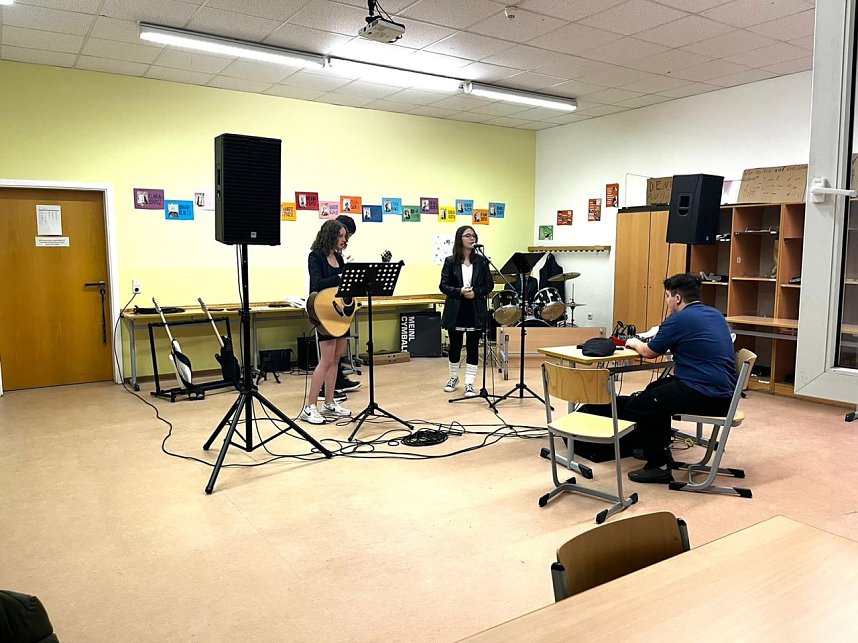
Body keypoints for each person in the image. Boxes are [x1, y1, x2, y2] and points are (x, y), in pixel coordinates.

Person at [620, 273, 737, 483]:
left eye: (667, 296)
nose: (667, 301)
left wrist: (634, 342)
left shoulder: (678, 319)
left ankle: (658, 466)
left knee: (642, 404)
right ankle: (656, 447)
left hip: (705, 395)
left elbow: (649, 352)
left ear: (677, 298)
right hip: (725, 394)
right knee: (654, 389)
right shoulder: (716, 315)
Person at [299, 219, 353, 425]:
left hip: (340, 313)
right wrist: (340, 277)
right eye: (340, 236)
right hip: (324, 313)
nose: (344, 240)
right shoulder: (315, 256)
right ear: (330, 236)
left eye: (345, 236)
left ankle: (329, 403)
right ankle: (310, 406)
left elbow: (344, 285)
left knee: (336, 359)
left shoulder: (339, 258)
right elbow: (317, 284)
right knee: (326, 359)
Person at [439, 225, 494, 397]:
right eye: (468, 235)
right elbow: (443, 285)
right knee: (455, 346)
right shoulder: (450, 261)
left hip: (475, 309)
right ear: (459, 239)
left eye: (473, 235)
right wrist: (460, 291)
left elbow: (489, 285)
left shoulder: (482, 261)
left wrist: (476, 293)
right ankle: (453, 377)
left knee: (472, 346)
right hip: (456, 308)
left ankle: (469, 382)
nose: (472, 238)